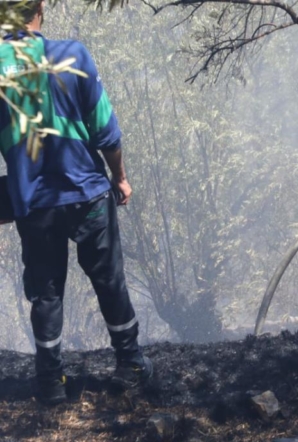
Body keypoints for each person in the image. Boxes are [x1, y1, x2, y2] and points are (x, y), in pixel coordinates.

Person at [0, 0, 152, 405]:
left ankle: (51, 383)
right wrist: (119, 178)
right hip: (87, 193)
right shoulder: (72, 55)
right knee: (109, 281)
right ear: (40, 9)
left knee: (46, 292)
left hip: (35, 205)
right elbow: (105, 131)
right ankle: (131, 365)